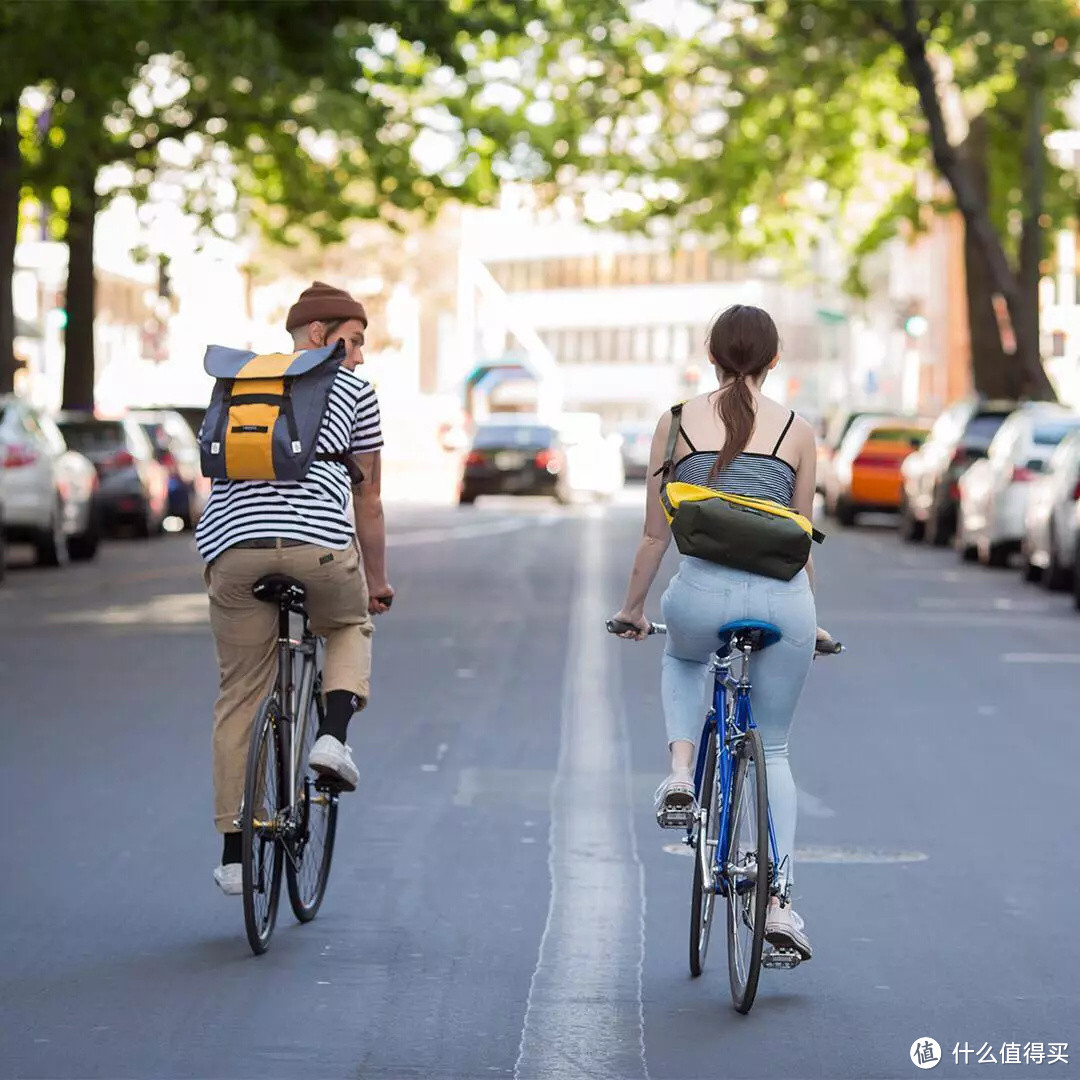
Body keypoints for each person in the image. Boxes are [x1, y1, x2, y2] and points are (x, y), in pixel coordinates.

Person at [609, 303, 824, 961]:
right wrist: (815, 620)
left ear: (709, 354)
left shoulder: (674, 424)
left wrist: (633, 608)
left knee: (682, 657)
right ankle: (780, 902)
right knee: (776, 750)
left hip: (701, 593)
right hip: (785, 602)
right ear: (774, 360)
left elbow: (655, 533)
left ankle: (679, 772)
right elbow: (799, 536)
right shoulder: (799, 431)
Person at [196, 281, 394, 896]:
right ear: (319, 334)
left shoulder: (238, 384)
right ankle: (332, 739)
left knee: (239, 696)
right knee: (348, 624)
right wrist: (379, 581)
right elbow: (369, 500)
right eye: (353, 340)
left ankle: (234, 855)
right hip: (320, 548)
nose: (359, 355)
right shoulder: (356, 390)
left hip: (231, 553)